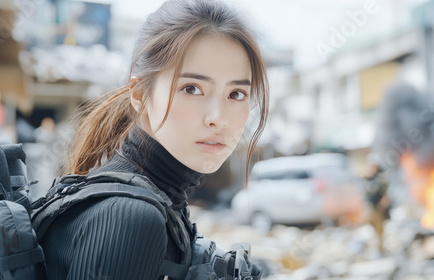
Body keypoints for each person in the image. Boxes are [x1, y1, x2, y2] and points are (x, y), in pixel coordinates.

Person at [39, 0, 269, 279]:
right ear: (139, 95)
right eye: (192, 88)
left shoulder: (161, 203)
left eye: (236, 94)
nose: (218, 118)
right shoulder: (128, 217)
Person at [363, 163, 391, 253]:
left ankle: (381, 247)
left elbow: (386, 193)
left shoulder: (381, 179)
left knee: (379, 229)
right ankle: (377, 245)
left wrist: (383, 203)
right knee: (372, 226)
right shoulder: (369, 179)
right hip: (370, 207)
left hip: (378, 208)